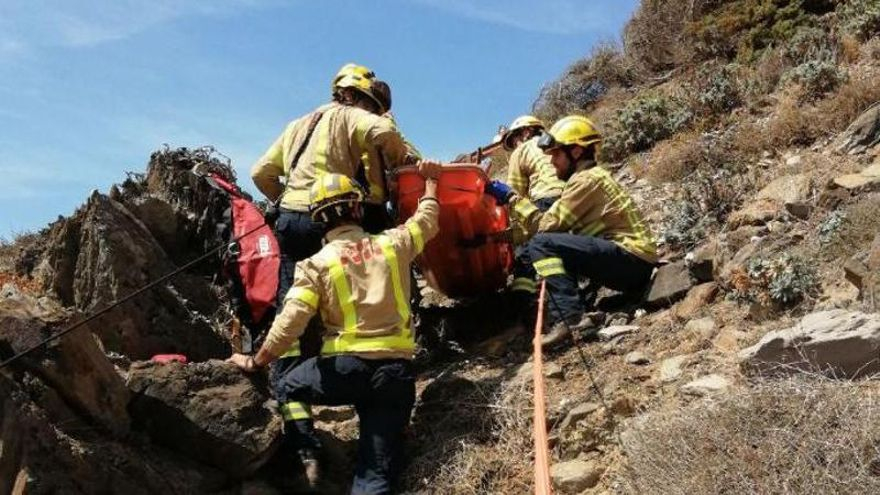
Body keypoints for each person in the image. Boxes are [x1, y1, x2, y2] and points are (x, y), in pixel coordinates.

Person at [229, 160, 442, 494]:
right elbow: (427, 221)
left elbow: (290, 322)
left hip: (343, 374)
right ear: (358, 208)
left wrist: (256, 361)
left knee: (288, 382)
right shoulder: (394, 244)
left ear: (317, 220)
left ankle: (306, 449)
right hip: (394, 375)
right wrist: (430, 183)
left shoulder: (315, 265)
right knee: (375, 476)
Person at [250, 67, 412, 483]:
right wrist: (400, 163)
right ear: (357, 97)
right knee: (364, 274)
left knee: (295, 306)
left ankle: (303, 440)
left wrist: (288, 202)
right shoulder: (350, 114)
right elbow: (385, 136)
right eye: (371, 103)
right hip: (340, 213)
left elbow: (260, 174)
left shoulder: (297, 124)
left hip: (292, 218)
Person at [486, 115, 658, 347]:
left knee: (541, 245)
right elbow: (555, 229)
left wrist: (511, 198)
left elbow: (543, 227)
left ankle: (570, 318)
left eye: (556, 154)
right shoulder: (586, 179)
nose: (552, 162)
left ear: (575, 152)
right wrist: (498, 237)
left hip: (631, 261)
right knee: (551, 243)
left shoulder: (585, 181)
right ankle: (579, 305)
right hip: (633, 263)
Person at [501, 115, 566, 299]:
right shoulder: (557, 144)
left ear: (526, 132)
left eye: (514, 140)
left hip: (546, 199)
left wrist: (516, 230)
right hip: (572, 197)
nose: (515, 146)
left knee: (527, 253)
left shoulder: (522, 151)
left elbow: (515, 193)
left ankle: (524, 301)